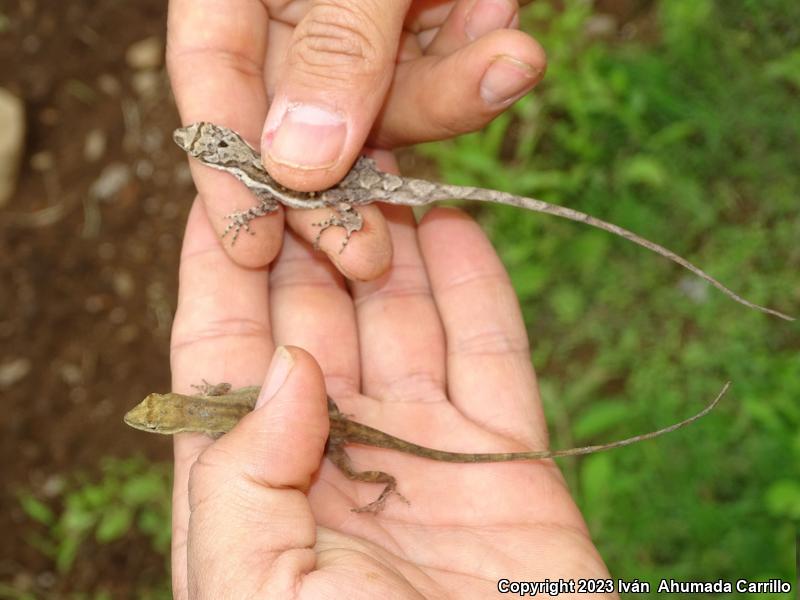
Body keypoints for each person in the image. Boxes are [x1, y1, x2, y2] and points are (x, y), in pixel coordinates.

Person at [166, 1, 613, 597]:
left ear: (222, 149)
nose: (196, 142)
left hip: (356, 186)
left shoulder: (255, 173)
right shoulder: (251, 166)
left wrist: (313, 186)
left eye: (201, 142)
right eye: (199, 142)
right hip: (352, 183)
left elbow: (270, 199)